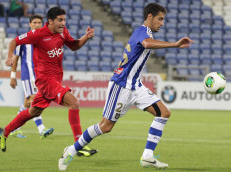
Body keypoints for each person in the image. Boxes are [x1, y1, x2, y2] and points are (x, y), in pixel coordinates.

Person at [58, 3, 194, 171]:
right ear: (149, 17)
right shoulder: (142, 32)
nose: (162, 23)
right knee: (105, 127)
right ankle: (71, 150)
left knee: (164, 113)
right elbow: (147, 44)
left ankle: (147, 157)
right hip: (121, 85)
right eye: (160, 19)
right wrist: (174, 44)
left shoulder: (147, 32)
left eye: (163, 20)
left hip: (136, 86)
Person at [0, 7, 97, 157]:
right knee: (74, 103)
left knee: (33, 112)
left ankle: (4, 132)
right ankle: (78, 145)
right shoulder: (38, 35)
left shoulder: (63, 32)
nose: (63, 23)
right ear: (50, 21)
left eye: (64, 20)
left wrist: (85, 37)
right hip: (45, 81)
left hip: (55, 79)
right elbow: (14, 41)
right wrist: (10, 56)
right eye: (60, 20)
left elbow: (74, 46)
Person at [9, 14, 54, 139]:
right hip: (28, 76)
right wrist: (13, 76)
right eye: (34, 22)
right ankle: (42, 129)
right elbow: (15, 59)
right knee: (34, 101)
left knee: (27, 103)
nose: (37, 24)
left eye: (39, 22)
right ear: (30, 24)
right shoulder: (23, 40)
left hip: (40, 76)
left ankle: (14, 128)